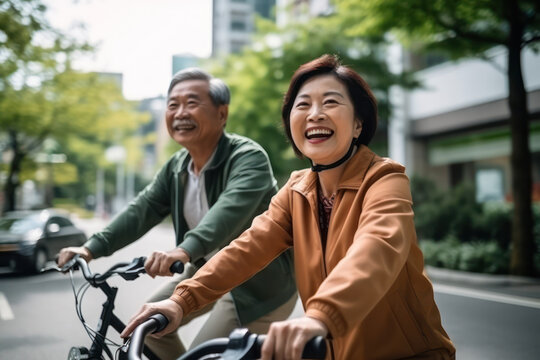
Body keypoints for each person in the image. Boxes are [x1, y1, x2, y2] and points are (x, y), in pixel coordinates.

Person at [121, 55, 456, 359]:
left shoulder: (384, 179)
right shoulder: (296, 191)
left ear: (358, 125)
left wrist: (319, 316)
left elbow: (377, 249)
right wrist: (182, 299)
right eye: (303, 104)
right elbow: (247, 248)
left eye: (331, 102)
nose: (315, 114)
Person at [57, 68, 297, 360]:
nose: (180, 112)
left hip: (254, 285)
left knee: (205, 354)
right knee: (144, 326)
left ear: (222, 114)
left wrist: (182, 251)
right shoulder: (176, 167)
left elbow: (227, 213)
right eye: (173, 105)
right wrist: (89, 248)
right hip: (203, 272)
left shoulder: (248, 157)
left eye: (192, 103)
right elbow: (142, 210)